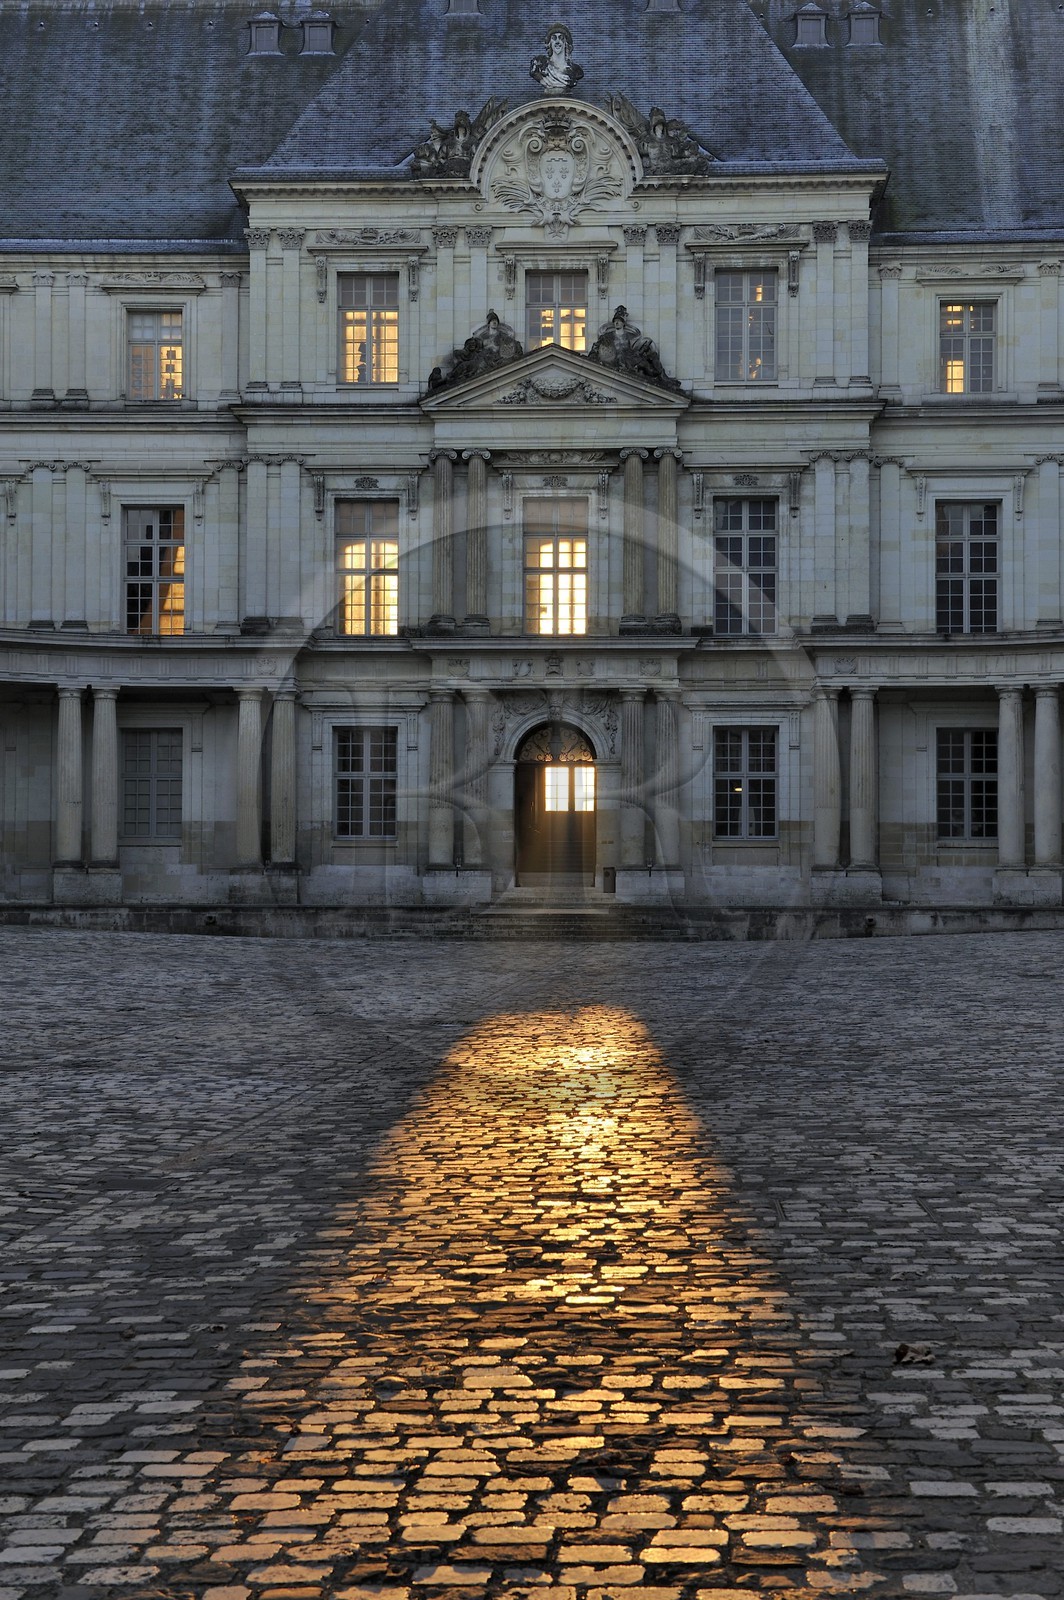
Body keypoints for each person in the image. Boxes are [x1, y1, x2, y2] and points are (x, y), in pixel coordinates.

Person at [530, 24, 583, 93]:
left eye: (561, 38)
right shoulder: (541, 65)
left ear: (566, 43)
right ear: (550, 43)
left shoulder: (575, 70)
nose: (557, 41)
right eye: (554, 38)